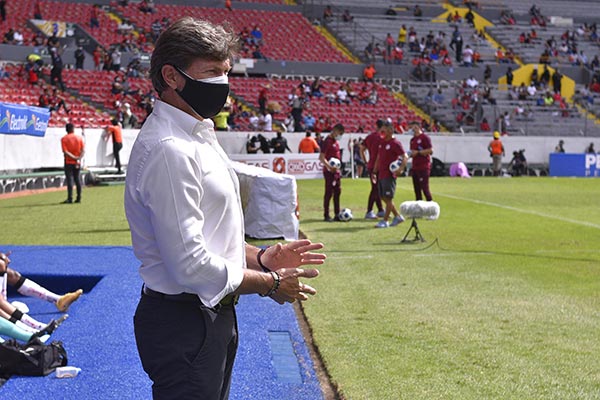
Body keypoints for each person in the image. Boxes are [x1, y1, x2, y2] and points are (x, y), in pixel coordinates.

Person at [124, 17, 325, 400]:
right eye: (212, 72)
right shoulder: (171, 149)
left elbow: (210, 236)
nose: (223, 84)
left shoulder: (198, 133)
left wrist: (260, 256)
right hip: (184, 319)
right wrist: (271, 285)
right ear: (171, 76)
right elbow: (191, 264)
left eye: (226, 72)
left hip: (206, 315)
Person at [373, 122, 406, 228]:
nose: (382, 132)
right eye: (381, 130)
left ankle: (385, 221)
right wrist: (374, 171)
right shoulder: (382, 142)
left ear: (390, 130)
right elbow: (379, 157)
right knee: (383, 197)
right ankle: (397, 216)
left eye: (384, 130)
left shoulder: (395, 143)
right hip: (381, 174)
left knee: (388, 198)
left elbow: (404, 156)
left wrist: (401, 169)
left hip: (389, 175)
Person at [319, 124, 345, 222]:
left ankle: (337, 214)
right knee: (329, 193)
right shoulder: (327, 142)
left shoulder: (336, 142)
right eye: (340, 133)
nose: (340, 136)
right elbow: (321, 157)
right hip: (329, 172)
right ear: (335, 131)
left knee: (338, 192)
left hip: (336, 172)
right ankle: (326, 215)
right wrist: (329, 167)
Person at [360, 119, 385, 219]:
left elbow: (361, 149)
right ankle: (369, 211)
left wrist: (366, 161)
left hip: (371, 165)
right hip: (379, 167)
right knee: (375, 189)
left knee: (377, 188)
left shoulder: (370, 137)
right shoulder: (382, 138)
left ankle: (380, 210)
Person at [408, 121, 433, 201]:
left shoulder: (424, 138)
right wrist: (411, 154)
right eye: (412, 128)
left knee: (425, 188)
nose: (413, 129)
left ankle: (431, 208)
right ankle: (419, 209)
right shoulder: (412, 140)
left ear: (419, 127)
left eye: (415, 127)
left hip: (423, 167)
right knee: (417, 190)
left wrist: (418, 152)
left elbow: (430, 150)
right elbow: (412, 151)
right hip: (415, 166)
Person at [61, 123, 85, 203]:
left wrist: (73, 157)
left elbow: (65, 151)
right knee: (77, 179)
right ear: (73, 129)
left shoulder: (64, 139)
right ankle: (79, 197)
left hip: (68, 162)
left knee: (70, 180)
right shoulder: (79, 138)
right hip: (77, 162)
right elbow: (83, 150)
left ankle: (70, 198)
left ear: (66, 129)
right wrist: (78, 158)